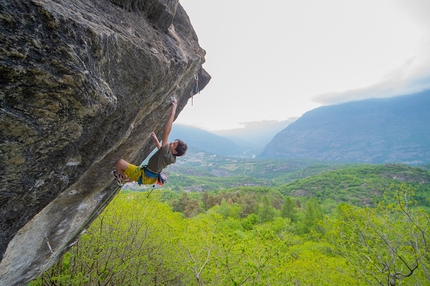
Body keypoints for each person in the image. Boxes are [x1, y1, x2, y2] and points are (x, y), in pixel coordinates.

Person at [114, 98, 187, 186]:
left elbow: (166, 132)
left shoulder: (166, 152)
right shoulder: (171, 158)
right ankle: (126, 178)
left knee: (119, 163)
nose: (171, 143)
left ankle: (123, 178)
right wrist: (156, 140)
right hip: (150, 178)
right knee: (133, 176)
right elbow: (161, 152)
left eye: (174, 144)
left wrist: (173, 111)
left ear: (175, 151)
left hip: (144, 175)